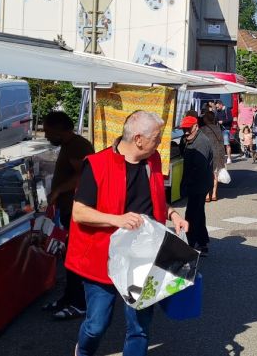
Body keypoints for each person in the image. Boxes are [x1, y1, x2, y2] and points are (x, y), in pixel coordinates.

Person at [67, 111, 188, 356]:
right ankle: (83, 351)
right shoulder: (97, 164)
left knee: (139, 327)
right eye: (157, 137)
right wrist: (117, 220)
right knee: (96, 325)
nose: (160, 142)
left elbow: (155, 201)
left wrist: (173, 214)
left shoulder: (152, 161)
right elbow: (79, 213)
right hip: (103, 258)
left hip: (143, 258)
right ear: (139, 139)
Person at [38, 111, 96, 320]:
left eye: (47, 131)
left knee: (76, 259)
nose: (45, 136)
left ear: (59, 129)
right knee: (69, 257)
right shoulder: (69, 145)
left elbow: (84, 175)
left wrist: (59, 190)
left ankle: (79, 303)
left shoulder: (77, 145)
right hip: (68, 210)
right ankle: (69, 298)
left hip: (77, 211)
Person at [180, 115, 215, 256]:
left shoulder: (201, 142)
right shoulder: (188, 139)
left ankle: (192, 243)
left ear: (195, 126)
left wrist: (187, 184)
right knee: (197, 212)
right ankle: (202, 243)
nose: (186, 132)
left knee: (193, 213)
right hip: (195, 183)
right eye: (184, 129)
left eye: (188, 129)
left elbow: (199, 168)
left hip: (199, 183)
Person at [201, 112, 226, 202]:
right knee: (215, 174)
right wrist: (223, 156)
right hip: (217, 153)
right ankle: (214, 194)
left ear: (206, 119)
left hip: (206, 153)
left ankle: (207, 195)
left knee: (206, 175)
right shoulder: (218, 129)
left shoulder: (203, 129)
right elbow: (221, 143)